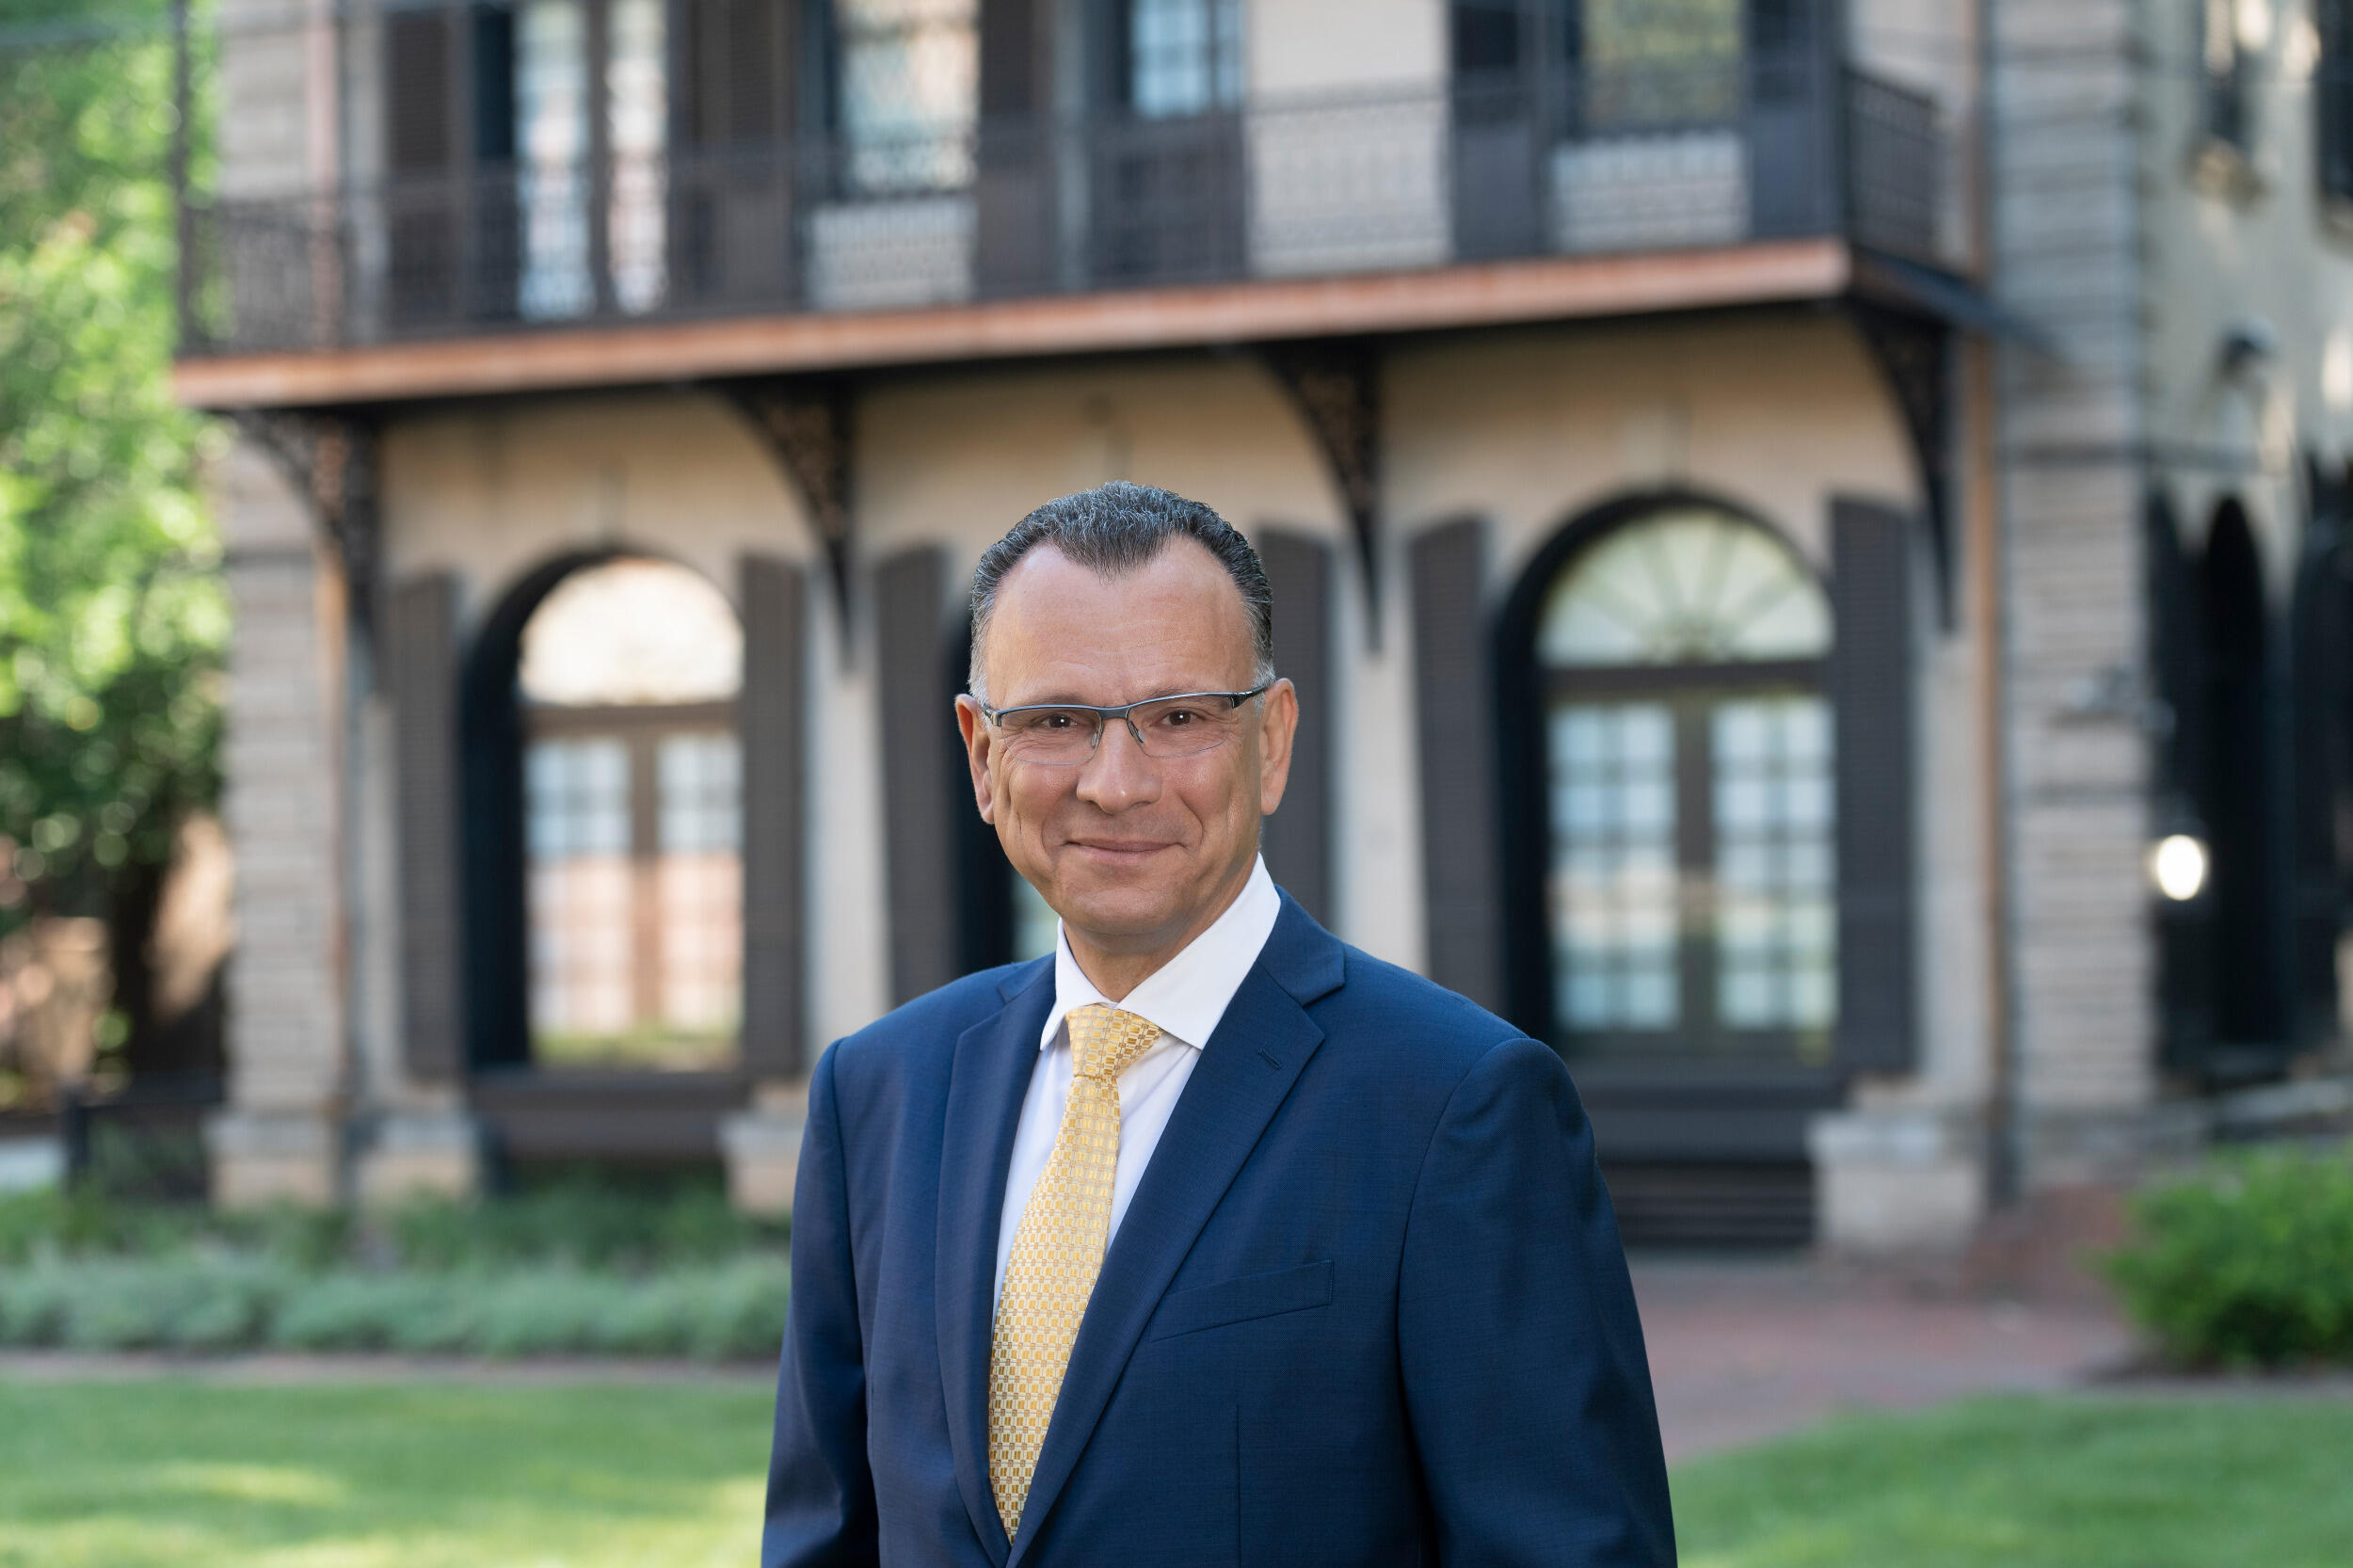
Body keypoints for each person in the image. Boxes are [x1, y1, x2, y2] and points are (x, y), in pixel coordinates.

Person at [762, 482, 1673, 1567]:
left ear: (1271, 741)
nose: (1114, 783)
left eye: (1179, 717)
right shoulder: (878, 1090)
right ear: (979, 753)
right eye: (1055, 721)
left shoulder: (1456, 1106)